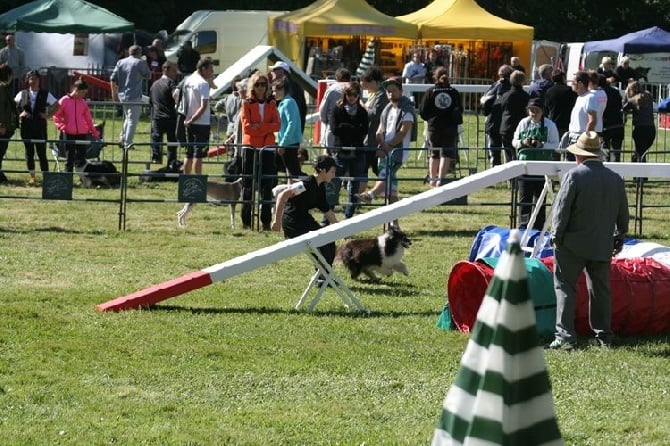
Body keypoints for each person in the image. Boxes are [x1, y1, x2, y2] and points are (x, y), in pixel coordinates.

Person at [547, 131, 629, 350]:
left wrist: (556, 236)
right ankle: (604, 335)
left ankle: (565, 337)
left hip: (572, 244)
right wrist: (620, 236)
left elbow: (561, 210)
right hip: (602, 243)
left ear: (579, 155)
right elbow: (623, 215)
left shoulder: (574, 176)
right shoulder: (615, 178)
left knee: (565, 287)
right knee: (600, 290)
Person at [357, 76, 415, 228]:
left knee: (385, 174)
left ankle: (372, 194)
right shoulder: (387, 109)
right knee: (391, 191)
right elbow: (379, 130)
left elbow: (403, 131)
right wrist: (382, 144)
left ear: (401, 91)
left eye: (393, 91)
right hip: (385, 149)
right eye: (388, 91)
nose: (390, 94)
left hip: (398, 151)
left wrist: (388, 146)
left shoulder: (407, 108)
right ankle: (394, 224)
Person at [271, 155, 338, 270]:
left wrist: (340, 228)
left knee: (329, 242)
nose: (334, 175)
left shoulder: (320, 187)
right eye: (332, 172)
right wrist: (276, 221)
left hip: (304, 219)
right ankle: (323, 275)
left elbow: (327, 211)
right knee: (321, 243)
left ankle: (324, 275)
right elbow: (283, 195)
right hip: (293, 222)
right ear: (323, 171)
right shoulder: (306, 184)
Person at [240, 71, 280, 230]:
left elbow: (278, 125)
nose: (261, 87)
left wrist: (260, 128)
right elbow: (247, 127)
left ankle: (265, 222)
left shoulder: (272, 102)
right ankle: (246, 222)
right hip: (250, 147)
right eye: (257, 84)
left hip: (268, 148)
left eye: (264, 84)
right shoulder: (247, 103)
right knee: (248, 185)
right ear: (252, 86)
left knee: (267, 186)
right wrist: (267, 129)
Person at [512, 98, 559, 230]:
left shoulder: (550, 125)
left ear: (542, 111)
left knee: (540, 199)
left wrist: (541, 145)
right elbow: (514, 141)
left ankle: (538, 227)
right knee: (524, 199)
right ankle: (523, 226)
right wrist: (523, 143)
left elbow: (555, 144)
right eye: (531, 110)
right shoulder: (523, 123)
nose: (533, 113)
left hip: (542, 166)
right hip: (525, 166)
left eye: (536, 111)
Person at [330, 82, 368, 219]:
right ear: (345, 95)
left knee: (355, 185)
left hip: (357, 152)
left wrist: (346, 128)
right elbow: (335, 129)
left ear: (358, 95)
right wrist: (352, 128)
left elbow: (364, 130)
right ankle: (327, 218)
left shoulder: (362, 111)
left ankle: (349, 217)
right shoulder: (337, 109)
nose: (352, 97)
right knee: (335, 183)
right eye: (349, 94)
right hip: (341, 151)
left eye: (355, 95)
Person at [419, 66, 462, 186]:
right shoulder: (454, 92)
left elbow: (422, 111)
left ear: (435, 77)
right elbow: (460, 109)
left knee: (434, 153)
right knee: (446, 154)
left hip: (434, 127)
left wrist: (430, 119)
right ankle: (440, 180)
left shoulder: (430, 92)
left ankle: (432, 179)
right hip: (450, 127)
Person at [15, 70, 58, 185]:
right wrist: (20, 114)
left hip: (40, 127)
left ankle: (47, 177)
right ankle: (32, 177)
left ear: (39, 80)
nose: (33, 81)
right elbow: (13, 105)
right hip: (26, 127)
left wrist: (48, 115)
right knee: (29, 152)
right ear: (27, 80)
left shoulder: (45, 93)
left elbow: (57, 105)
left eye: (35, 79)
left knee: (41, 152)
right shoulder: (22, 93)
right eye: (31, 79)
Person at [52, 79, 101, 173]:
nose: (84, 95)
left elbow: (88, 119)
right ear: (76, 89)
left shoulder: (83, 103)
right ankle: (68, 178)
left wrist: (94, 132)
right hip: (68, 133)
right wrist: (62, 126)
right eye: (83, 92)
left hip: (82, 133)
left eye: (85, 93)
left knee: (81, 158)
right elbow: (56, 116)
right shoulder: (63, 101)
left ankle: (83, 178)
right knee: (69, 157)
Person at [110, 44, 150, 149]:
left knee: (128, 118)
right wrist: (144, 62)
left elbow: (113, 77)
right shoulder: (139, 62)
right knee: (133, 119)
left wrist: (114, 93)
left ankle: (122, 138)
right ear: (139, 53)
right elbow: (148, 75)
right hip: (134, 94)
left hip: (122, 94)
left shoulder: (120, 62)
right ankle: (128, 143)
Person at [182, 57, 214, 175]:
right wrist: (192, 119)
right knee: (198, 154)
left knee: (189, 153)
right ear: (204, 69)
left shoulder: (188, 80)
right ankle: (198, 179)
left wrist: (189, 120)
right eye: (211, 69)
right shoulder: (203, 83)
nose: (212, 72)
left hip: (189, 121)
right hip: (201, 122)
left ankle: (185, 179)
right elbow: (203, 106)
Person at [359, 66, 388, 194]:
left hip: (374, 139)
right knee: (377, 168)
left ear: (374, 82)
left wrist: (362, 107)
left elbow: (374, 114)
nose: (365, 89)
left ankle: (360, 195)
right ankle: (385, 191)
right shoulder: (374, 94)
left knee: (366, 168)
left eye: (366, 85)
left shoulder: (382, 96)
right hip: (369, 138)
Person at [480, 64, 513, 166]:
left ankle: (495, 171)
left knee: (495, 150)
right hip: (508, 123)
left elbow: (484, 101)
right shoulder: (514, 87)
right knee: (509, 150)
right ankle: (509, 173)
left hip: (494, 122)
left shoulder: (494, 86)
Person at [272, 77, 303, 182]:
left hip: (289, 143)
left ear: (282, 89)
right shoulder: (284, 102)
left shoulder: (288, 103)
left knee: (294, 172)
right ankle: (293, 194)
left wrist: (283, 143)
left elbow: (291, 123)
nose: (273, 93)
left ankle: (310, 184)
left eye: (275, 90)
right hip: (286, 142)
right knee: (290, 171)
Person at [149, 61, 178, 166]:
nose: (176, 73)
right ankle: (171, 162)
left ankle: (156, 157)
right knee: (172, 141)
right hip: (170, 116)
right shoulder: (171, 82)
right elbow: (176, 95)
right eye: (174, 71)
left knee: (156, 137)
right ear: (166, 70)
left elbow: (151, 101)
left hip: (157, 116)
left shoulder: (154, 84)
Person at [565, 71, 598, 160]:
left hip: (580, 138)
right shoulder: (580, 97)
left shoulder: (590, 98)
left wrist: (586, 139)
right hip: (572, 137)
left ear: (580, 83)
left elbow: (592, 120)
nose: (571, 84)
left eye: (573, 82)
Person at [499, 70, 529, 162]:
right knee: (521, 152)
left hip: (506, 127)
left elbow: (502, 108)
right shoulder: (525, 96)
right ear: (522, 81)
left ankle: (509, 175)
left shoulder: (505, 95)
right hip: (521, 127)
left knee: (508, 155)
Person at [269, 61, 307, 133]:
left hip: (287, 132)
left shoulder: (291, 88)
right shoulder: (296, 86)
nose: (272, 73)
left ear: (281, 72)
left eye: (274, 70)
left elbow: (295, 114)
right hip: (292, 131)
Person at [623, 81, 656, 163]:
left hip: (640, 129)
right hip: (651, 129)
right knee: (641, 152)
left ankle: (640, 174)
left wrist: (626, 95)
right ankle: (637, 169)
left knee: (640, 153)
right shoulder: (648, 95)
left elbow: (623, 107)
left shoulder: (632, 100)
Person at [318, 67, 351, 149]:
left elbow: (323, 109)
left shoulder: (332, 89)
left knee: (331, 153)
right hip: (351, 127)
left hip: (333, 125)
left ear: (336, 78)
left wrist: (325, 121)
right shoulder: (355, 88)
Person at [544, 69, 577, 141]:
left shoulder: (549, 91)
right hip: (567, 122)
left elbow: (546, 107)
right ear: (563, 78)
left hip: (554, 122)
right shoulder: (569, 90)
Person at [600, 74, 625, 162]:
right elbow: (620, 105)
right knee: (616, 153)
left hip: (606, 125)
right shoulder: (615, 92)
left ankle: (606, 173)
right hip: (618, 124)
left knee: (605, 152)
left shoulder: (600, 94)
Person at [0, 64, 17, 183]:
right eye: (11, 75)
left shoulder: (4, 87)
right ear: (8, 75)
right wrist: (1, 125)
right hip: (3, 127)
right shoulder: (1, 88)